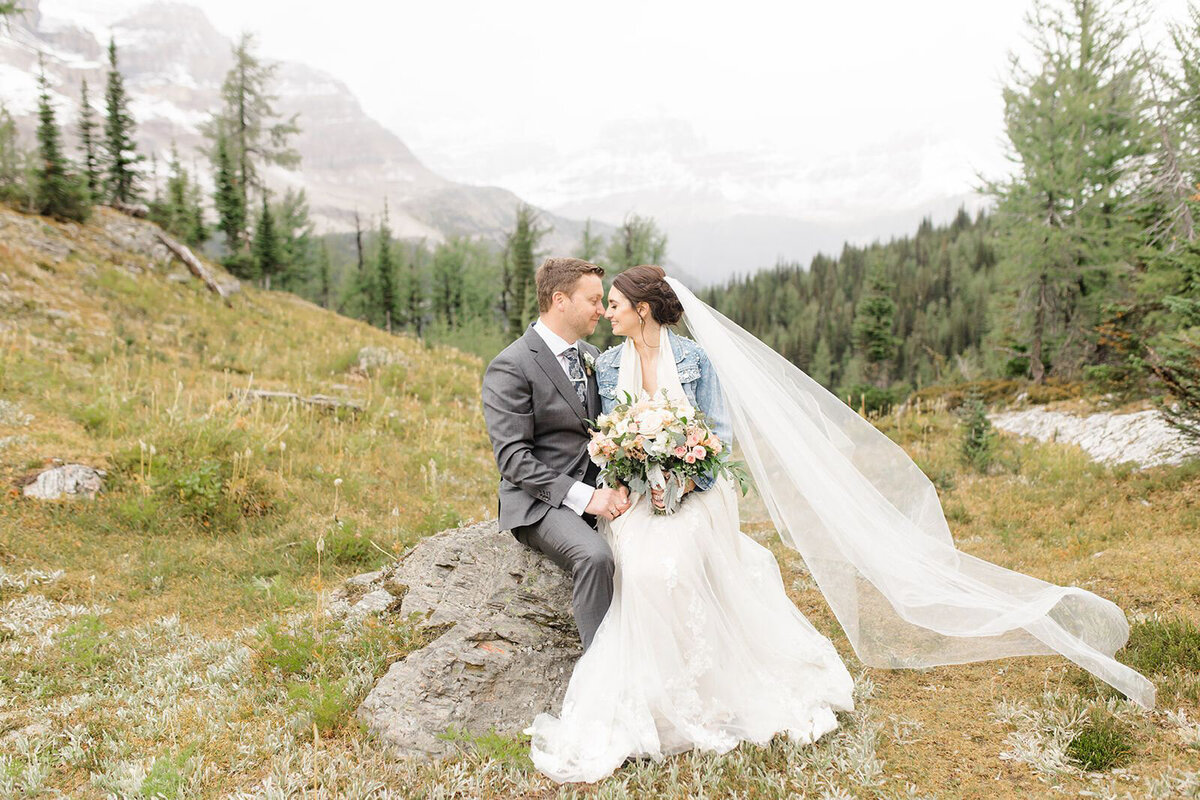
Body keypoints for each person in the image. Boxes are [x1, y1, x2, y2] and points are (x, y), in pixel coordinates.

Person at [525, 265, 1154, 784]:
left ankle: (711, 689)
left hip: (698, 494)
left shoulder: (695, 361)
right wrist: (637, 475)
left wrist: (684, 480)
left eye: (614, 304)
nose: (606, 312)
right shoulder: (607, 369)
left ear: (644, 309)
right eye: (601, 303)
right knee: (639, 564)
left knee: (676, 563)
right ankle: (658, 696)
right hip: (638, 495)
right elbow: (608, 437)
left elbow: (716, 436)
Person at [481, 257, 631, 651]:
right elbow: (513, 460)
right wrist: (587, 497)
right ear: (560, 300)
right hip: (540, 503)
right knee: (595, 558)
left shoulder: (592, 354)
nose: (602, 310)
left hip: (600, 488)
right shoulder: (511, 365)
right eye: (594, 300)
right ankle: (601, 676)